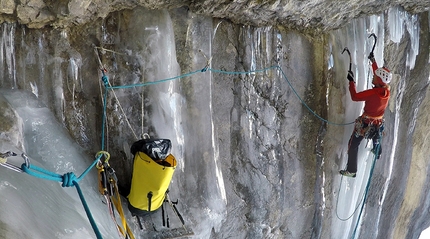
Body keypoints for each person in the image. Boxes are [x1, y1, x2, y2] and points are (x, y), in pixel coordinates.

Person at [339, 52, 392, 178]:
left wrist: (351, 82)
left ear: (378, 81)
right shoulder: (386, 90)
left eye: (375, 77)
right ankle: (377, 151)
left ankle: (351, 170)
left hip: (366, 123)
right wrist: (373, 61)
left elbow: (355, 96)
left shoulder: (373, 93)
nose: (373, 77)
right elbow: (379, 76)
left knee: (353, 145)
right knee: (377, 136)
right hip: (378, 122)